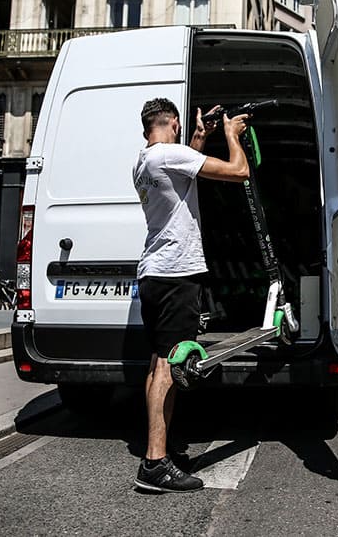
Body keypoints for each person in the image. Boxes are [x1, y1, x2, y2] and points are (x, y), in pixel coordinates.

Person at [132, 97, 250, 493]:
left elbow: (182, 177)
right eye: (187, 130)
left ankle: (158, 451)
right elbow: (239, 171)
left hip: (154, 273)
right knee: (169, 368)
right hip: (177, 274)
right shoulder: (169, 155)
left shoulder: (145, 161)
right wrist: (232, 135)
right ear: (175, 124)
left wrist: (200, 137)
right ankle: (154, 463)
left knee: (157, 365)